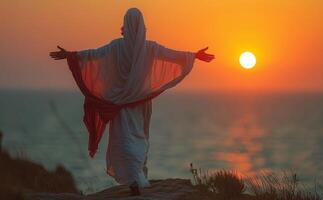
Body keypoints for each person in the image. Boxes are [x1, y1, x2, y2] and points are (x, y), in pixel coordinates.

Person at [49, 7, 214, 196]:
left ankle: (135, 177)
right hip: (135, 102)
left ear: (125, 25)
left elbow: (93, 55)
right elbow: (173, 56)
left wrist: (71, 55)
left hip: (124, 103)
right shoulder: (146, 48)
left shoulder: (121, 47)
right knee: (133, 139)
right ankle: (135, 178)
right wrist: (194, 55)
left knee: (127, 140)